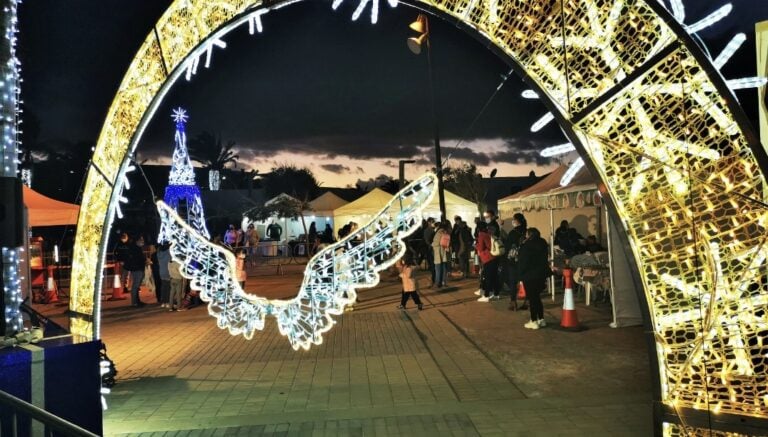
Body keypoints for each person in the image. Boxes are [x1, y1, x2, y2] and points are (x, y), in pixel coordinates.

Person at [518, 228, 550, 329]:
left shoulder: (527, 246)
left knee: (532, 298)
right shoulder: (543, 243)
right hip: (541, 274)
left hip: (529, 275)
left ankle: (533, 320)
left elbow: (523, 262)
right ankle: (541, 319)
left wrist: (520, 274)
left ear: (529, 235)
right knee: (537, 297)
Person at [505, 213, 527, 311]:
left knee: (513, 282)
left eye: (514, 219)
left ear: (517, 221)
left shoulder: (513, 233)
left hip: (513, 261)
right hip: (525, 260)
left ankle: (513, 302)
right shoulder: (527, 231)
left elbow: (507, 246)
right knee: (526, 281)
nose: (512, 221)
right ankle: (527, 301)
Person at [475, 221, 500, 301]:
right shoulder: (489, 233)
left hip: (488, 258)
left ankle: (486, 296)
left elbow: (481, 248)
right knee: (494, 277)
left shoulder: (481, 235)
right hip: (494, 257)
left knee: (488, 278)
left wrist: (475, 245)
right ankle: (496, 294)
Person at [124, 235, 147, 307]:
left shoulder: (136, 248)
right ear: (137, 241)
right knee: (135, 286)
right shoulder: (136, 249)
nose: (142, 242)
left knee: (136, 286)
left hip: (137, 269)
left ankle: (137, 301)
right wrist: (144, 261)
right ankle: (135, 302)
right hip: (137, 269)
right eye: (141, 240)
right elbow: (138, 259)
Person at [112, 232, 131, 296]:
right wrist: (116, 260)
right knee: (119, 275)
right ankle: (119, 288)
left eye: (125, 237)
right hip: (120, 262)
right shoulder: (118, 244)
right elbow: (114, 252)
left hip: (127, 262)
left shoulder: (128, 244)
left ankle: (125, 287)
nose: (124, 238)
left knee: (127, 276)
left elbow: (130, 253)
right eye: (123, 237)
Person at [432, 223, 449, 288]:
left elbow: (435, 243)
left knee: (438, 269)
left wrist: (432, 244)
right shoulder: (445, 233)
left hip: (438, 253)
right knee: (444, 268)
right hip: (444, 253)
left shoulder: (438, 233)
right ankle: (443, 282)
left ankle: (437, 283)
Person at [157, 242, 171, 308]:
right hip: (167, 271)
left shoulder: (159, 254)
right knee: (168, 288)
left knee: (163, 287)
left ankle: (163, 302)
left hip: (161, 271)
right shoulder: (168, 253)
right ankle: (168, 302)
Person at [423, 217, 436, 285]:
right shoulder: (428, 230)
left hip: (431, 248)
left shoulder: (432, 230)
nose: (433, 223)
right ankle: (434, 278)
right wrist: (431, 245)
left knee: (433, 264)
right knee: (432, 264)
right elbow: (427, 240)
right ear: (429, 222)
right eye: (432, 222)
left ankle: (434, 278)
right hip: (430, 249)